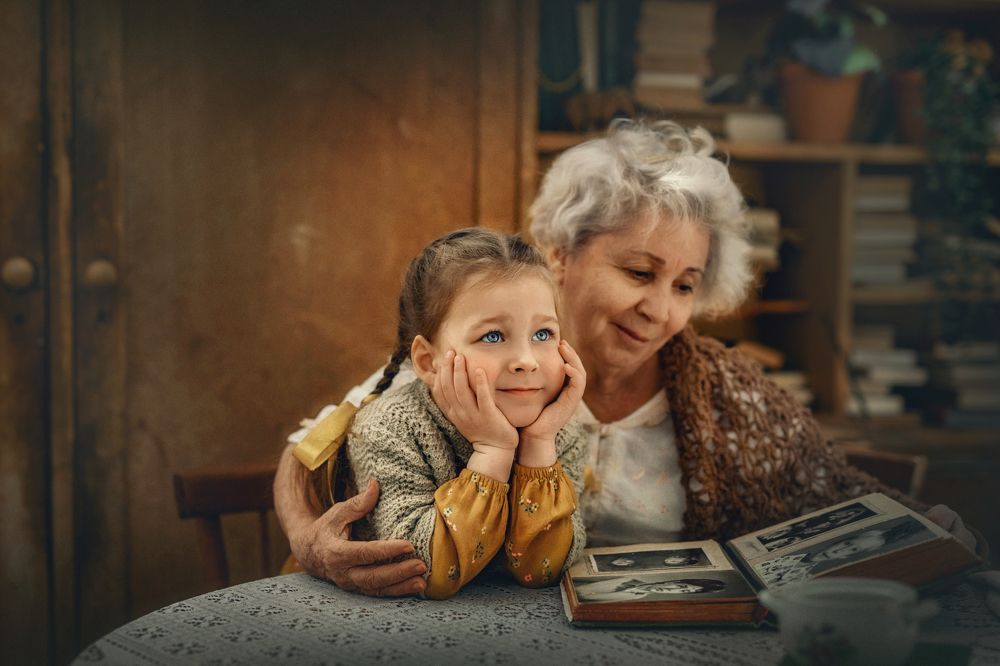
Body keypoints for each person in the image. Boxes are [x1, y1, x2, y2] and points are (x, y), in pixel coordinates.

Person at [274, 119, 984, 598]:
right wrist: (312, 544)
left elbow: (829, 491)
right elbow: (309, 450)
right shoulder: (478, 366)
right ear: (560, 254)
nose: (663, 311)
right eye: (639, 274)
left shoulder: (722, 391)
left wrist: (923, 523)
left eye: (685, 286)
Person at [307, 228, 587, 600]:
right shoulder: (391, 428)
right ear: (428, 360)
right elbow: (426, 571)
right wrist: (493, 452)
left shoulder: (557, 431)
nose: (526, 360)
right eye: (492, 336)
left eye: (543, 334)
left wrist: (537, 447)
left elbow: (544, 570)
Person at [758, 518, 931, 587]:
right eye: (848, 543)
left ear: (847, 557)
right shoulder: (788, 549)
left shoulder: (804, 580)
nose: (842, 549)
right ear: (838, 540)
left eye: (853, 550)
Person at [574, 577, 727, 603]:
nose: (672, 590)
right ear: (674, 581)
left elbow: (585, 598)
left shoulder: (636, 597)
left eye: (683, 592)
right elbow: (579, 590)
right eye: (681, 586)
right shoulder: (627, 579)